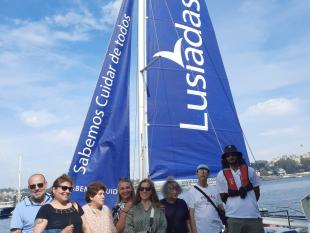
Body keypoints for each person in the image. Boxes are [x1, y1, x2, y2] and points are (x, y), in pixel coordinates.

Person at [216, 144, 264, 233]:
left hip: (253, 216)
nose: (231, 157)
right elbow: (223, 196)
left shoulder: (250, 171)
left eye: (233, 154)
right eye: (228, 155)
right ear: (225, 158)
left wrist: (249, 202)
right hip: (233, 218)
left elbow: (257, 192)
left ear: (238, 155)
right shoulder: (221, 175)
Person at [186, 164, 224, 233]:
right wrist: (194, 231)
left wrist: (226, 225)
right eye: (200, 170)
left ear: (208, 174)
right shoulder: (192, 191)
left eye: (205, 170)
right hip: (201, 230)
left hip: (217, 229)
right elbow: (191, 214)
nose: (203, 172)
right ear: (196, 174)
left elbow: (221, 208)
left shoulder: (215, 190)